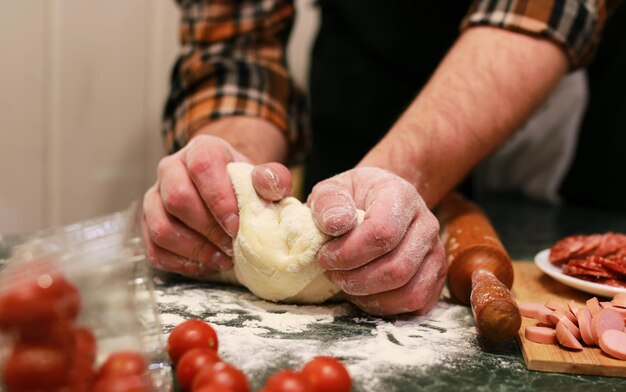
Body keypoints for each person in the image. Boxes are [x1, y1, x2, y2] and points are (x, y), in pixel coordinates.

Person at [142, 0, 623, 316]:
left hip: (564, 106)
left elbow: (542, 9)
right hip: (369, 80)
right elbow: (238, 48)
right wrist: (225, 176)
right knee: (358, 257)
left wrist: (400, 168)